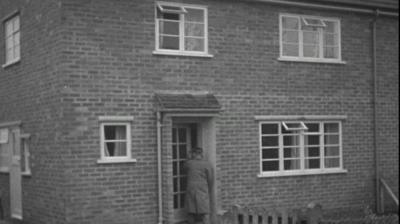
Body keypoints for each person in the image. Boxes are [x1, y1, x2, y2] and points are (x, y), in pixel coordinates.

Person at [185, 147, 214, 224]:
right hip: (203, 187)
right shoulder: (207, 164)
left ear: (194, 154)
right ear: (201, 154)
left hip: (191, 187)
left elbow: (184, 167)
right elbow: (210, 179)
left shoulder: (189, 163)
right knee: (205, 210)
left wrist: (188, 157)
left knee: (191, 210)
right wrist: (209, 188)